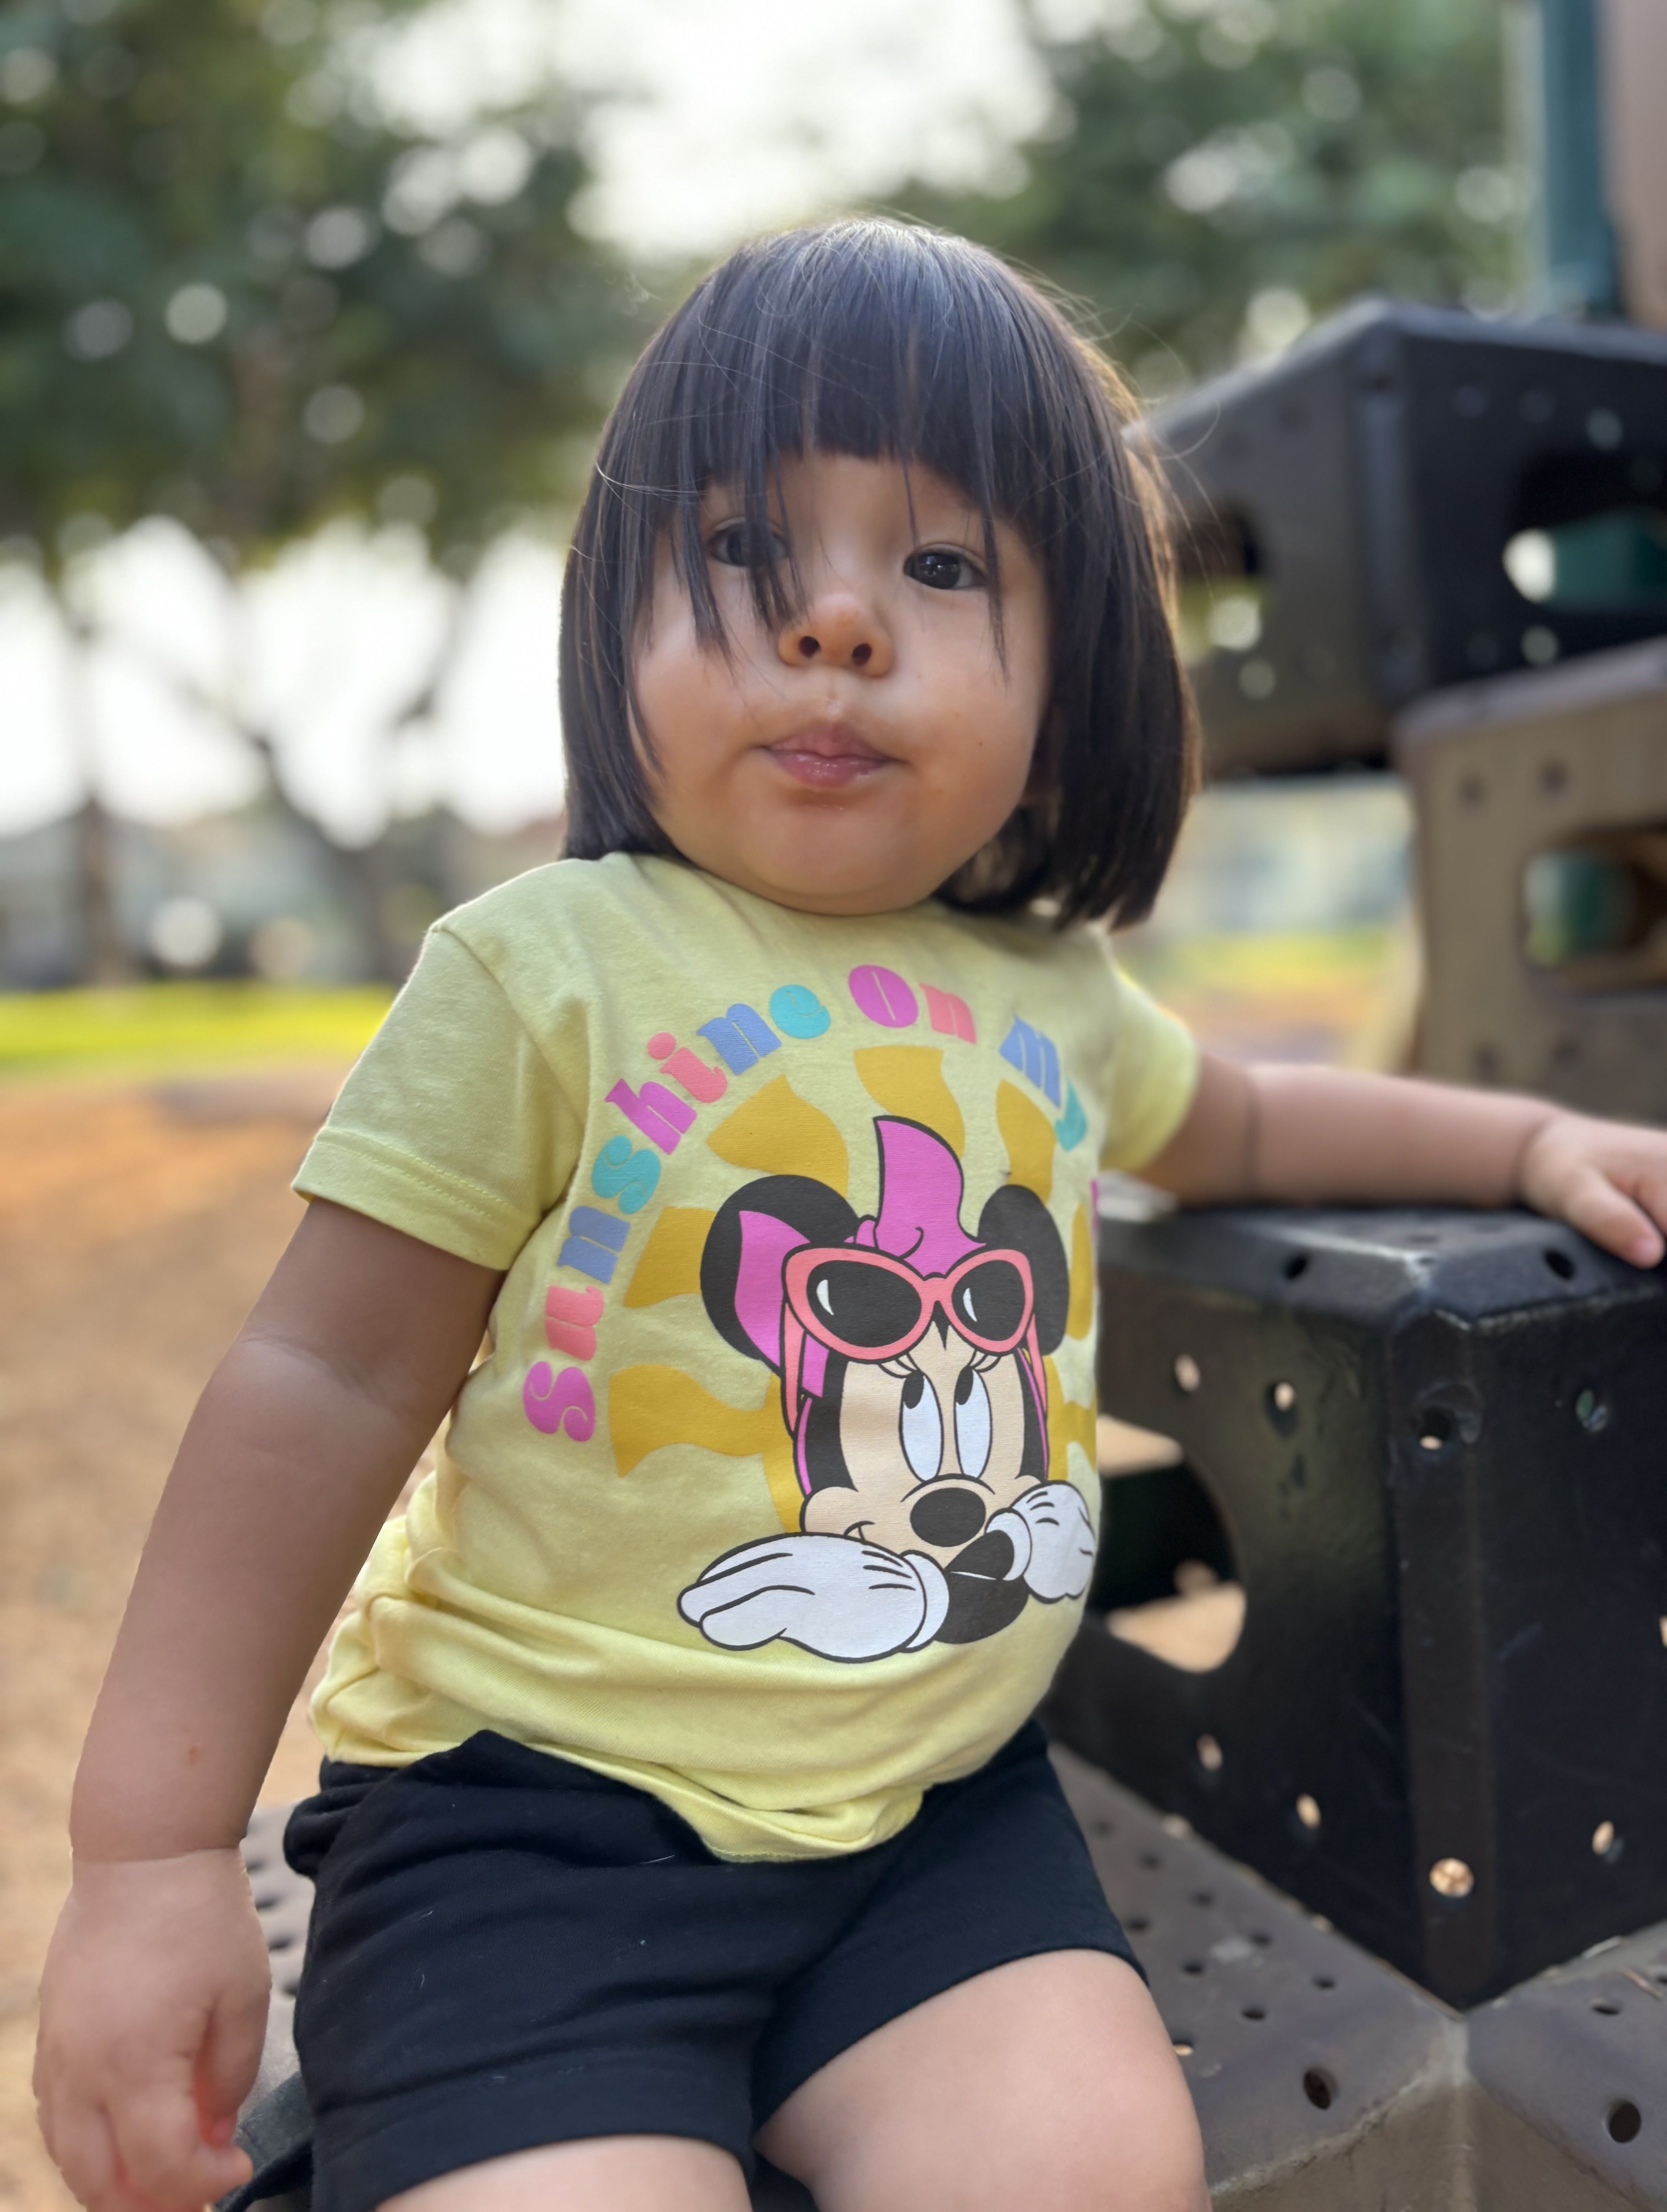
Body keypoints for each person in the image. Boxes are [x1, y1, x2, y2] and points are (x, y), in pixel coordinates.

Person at [35, 219, 1667, 2212]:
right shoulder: (544, 968)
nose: (836, 621)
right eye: (745, 552)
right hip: (532, 1823)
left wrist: (1517, 1143)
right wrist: (148, 1852)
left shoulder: (1051, 992)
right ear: (607, 619)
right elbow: (318, 1372)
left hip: (930, 1815)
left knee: (1088, 2164)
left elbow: (1240, 1115)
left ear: (1073, 673)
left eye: (944, 562)